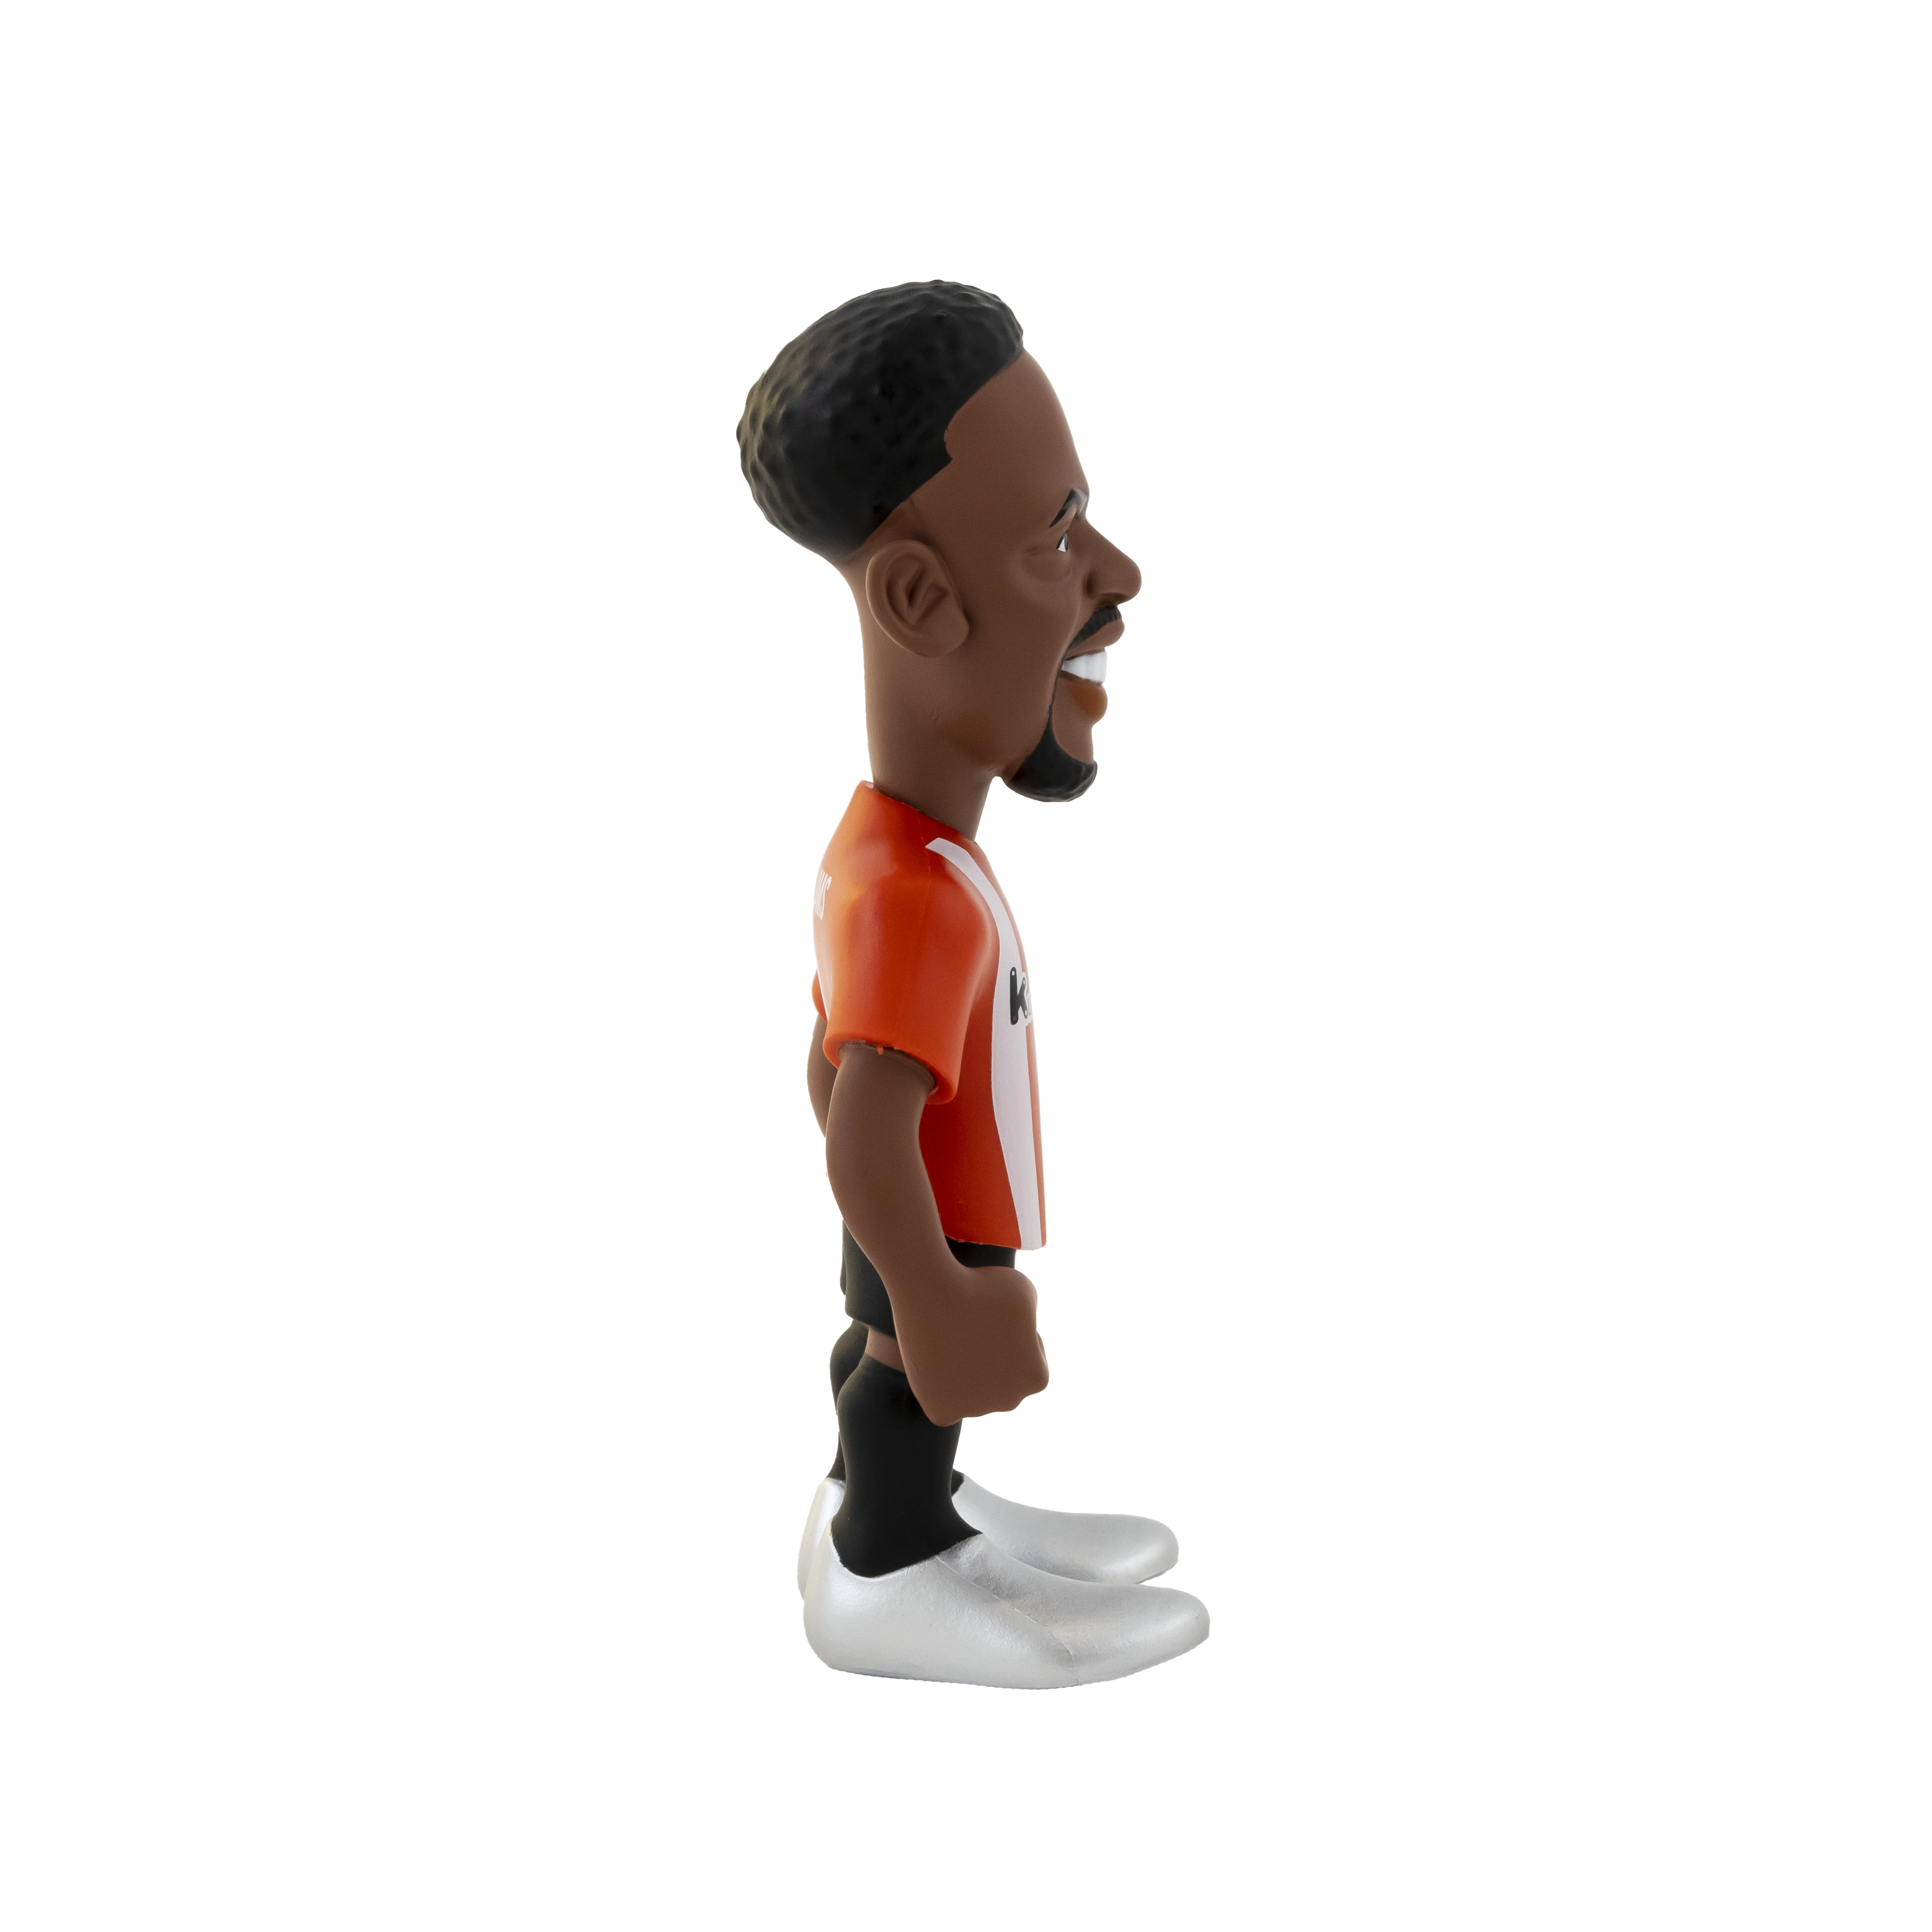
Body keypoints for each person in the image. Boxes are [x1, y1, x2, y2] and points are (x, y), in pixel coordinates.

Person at [738, 282, 1209, 1686]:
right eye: (1057, 537)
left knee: (882, 1358)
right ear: (921, 601)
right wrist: (937, 1289)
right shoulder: (916, 896)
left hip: (917, 1224)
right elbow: (862, 1120)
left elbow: (829, 1059)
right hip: (932, 1231)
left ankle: (897, 1510)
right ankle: (892, 1567)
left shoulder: (891, 853)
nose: (1117, 574)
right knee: (903, 1368)